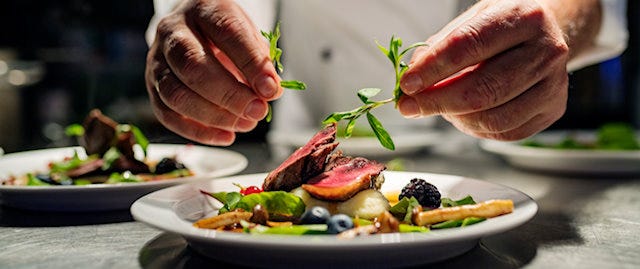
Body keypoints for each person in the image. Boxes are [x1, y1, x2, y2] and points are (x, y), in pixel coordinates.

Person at [145, 0, 628, 146]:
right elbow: (220, 8)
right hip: (297, 146)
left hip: (472, 159)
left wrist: (549, 17)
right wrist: (206, 35)